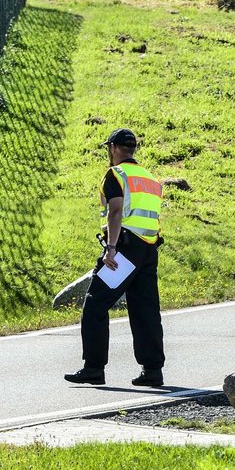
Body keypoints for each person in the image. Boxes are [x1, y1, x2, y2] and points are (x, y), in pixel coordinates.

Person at [65, 128, 166, 387]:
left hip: (123, 250)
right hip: (148, 250)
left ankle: (93, 368)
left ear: (112, 148)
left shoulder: (115, 174)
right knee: (146, 310)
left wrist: (111, 248)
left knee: (96, 303)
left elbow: (116, 211)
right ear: (132, 149)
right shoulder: (150, 178)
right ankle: (152, 370)